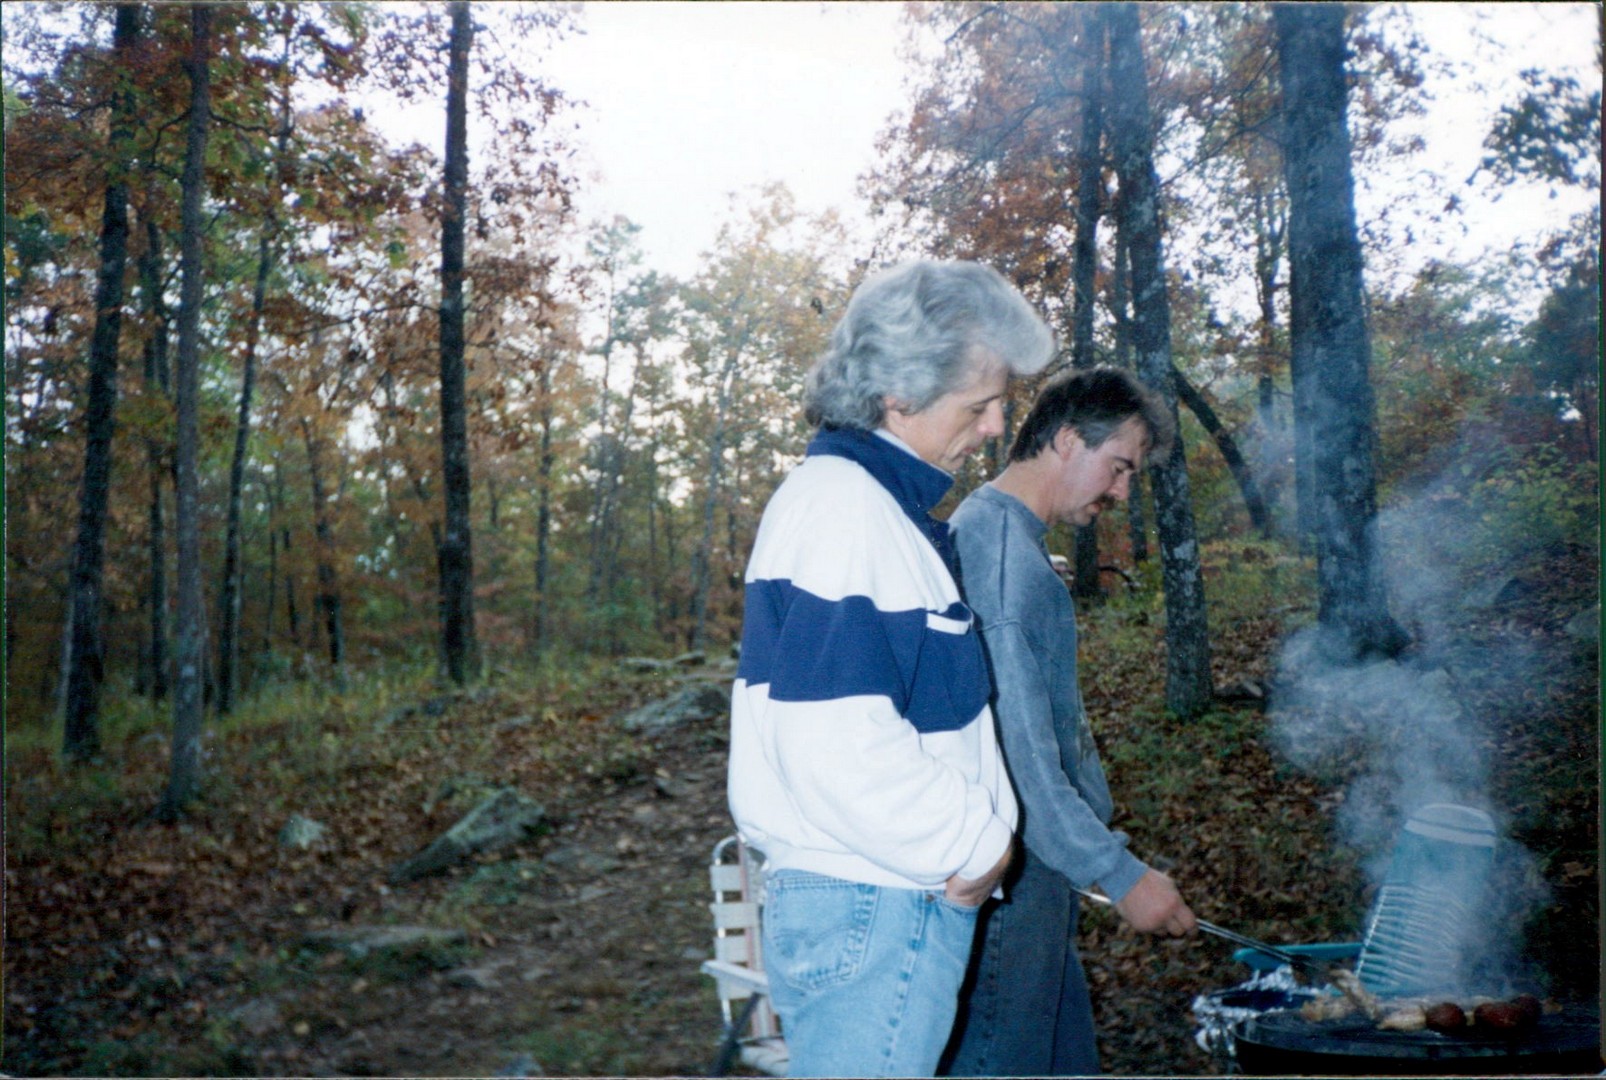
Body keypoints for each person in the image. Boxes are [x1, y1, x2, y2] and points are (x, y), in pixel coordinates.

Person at [727, 260, 1056, 1078]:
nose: (995, 427)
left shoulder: (868, 507)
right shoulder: (846, 511)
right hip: (874, 899)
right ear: (899, 395)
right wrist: (976, 844)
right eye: (978, 405)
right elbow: (834, 742)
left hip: (873, 896)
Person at [941, 366, 1198, 1077]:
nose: (1121, 492)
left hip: (1039, 873)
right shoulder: (1002, 563)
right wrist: (1118, 873)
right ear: (1064, 441)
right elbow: (1018, 760)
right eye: (1119, 467)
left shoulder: (1009, 545)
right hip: (1010, 881)